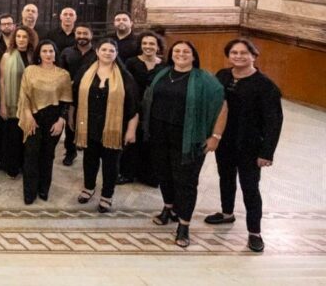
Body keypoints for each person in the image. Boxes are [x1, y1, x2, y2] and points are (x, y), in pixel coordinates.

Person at [203, 39, 283, 253]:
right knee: (226, 178)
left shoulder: (265, 85)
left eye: (243, 53)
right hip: (225, 141)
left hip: (250, 145)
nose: (238, 56)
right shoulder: (223, 75)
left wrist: (267, 152)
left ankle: (254, 232)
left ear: (253, 56)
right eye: (234, 53)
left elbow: (274, 122)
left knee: (250, 188)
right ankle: (227, 213)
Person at [144, 40, 227, 248]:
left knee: (186, 182)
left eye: (186, 51)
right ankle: (168, 208)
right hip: (160, 134)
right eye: (177, 51)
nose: (181, 54)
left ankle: (184, 224)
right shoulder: (162, 73)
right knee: (164, 174)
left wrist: (215, 136)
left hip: (189, 138)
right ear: (171, 54)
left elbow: (222, 105)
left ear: (193, 55)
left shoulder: (204, 79)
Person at [72, 39, 139, 213]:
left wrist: (131, 130)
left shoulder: (124, 76)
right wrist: (72, 120)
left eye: (111, 50)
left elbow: (133, 107)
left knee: (111, 164)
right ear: (97, 51)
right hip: (89, 125)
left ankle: (107, 195)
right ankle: (88, 187)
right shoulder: (86, 71)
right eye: (104, 50)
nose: (107, 53)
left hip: (114, 128)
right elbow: (74, 97)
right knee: (89, 160)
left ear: (116, 54)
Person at [18, 40, 71, 204]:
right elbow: (24, 95)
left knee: (48, 155)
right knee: (31, 155)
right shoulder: (30, 71)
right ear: (39, 54)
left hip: (53, 118)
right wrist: (28, 116)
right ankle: (29, 192)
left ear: (55, 54)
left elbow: (66, 101)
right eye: (44, 51)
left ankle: (43, 188)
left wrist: (61, 120)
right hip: (32, 117)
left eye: (51, 51)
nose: (48, 54)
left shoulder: (63, 74)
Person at [121, 31, 164, 186]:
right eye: (144, 43)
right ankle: (127, 173)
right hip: (134, 105)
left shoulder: (165, 65)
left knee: (151, 140)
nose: (148, 46)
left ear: (158, 47)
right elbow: (126, 85)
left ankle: (148, 175)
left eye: (152, 43)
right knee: (132, 139)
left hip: (155, 108)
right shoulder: (131, 62)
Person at [0, 26, 38, 178]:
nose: (21, 39)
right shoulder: (7, 56)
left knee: (29, 137)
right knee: (13, 137)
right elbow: (2, 81)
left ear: (30, 39)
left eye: (25, 37)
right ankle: (12, 167)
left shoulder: (34, 56)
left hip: (31, 103)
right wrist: (3, 104)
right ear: (14, 38)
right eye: (18, 36)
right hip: (12, 103)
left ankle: (25, 166)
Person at [58, 25, 97, 166]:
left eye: (85, 33)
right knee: (71, 123)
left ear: (91, 35)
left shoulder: (98, 52)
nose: (81, 36)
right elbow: (60, 72)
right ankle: (70, 151)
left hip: (91, 94)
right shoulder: (67, 52)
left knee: (89, 122)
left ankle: (88, 149)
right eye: (79, 33)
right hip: (70, 92)